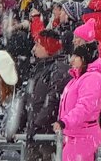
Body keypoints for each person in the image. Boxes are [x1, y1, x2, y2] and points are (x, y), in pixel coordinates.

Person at [56, 41, 101, 161]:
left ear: (84, 59)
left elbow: (85, 106)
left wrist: (65, 121)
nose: (71, 60)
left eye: (76, 57)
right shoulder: (78, 79)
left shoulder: (92, 78)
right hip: (75, 134)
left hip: (83, 135)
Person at [25, 30, 70, 161]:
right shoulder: (38, 68)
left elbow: (51, 102)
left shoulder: (58, 69)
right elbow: (28, 99)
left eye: (38, 45)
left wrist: (36, 124)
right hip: (36, 133)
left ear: (48, 47)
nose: (34, 49)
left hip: (47, 134)